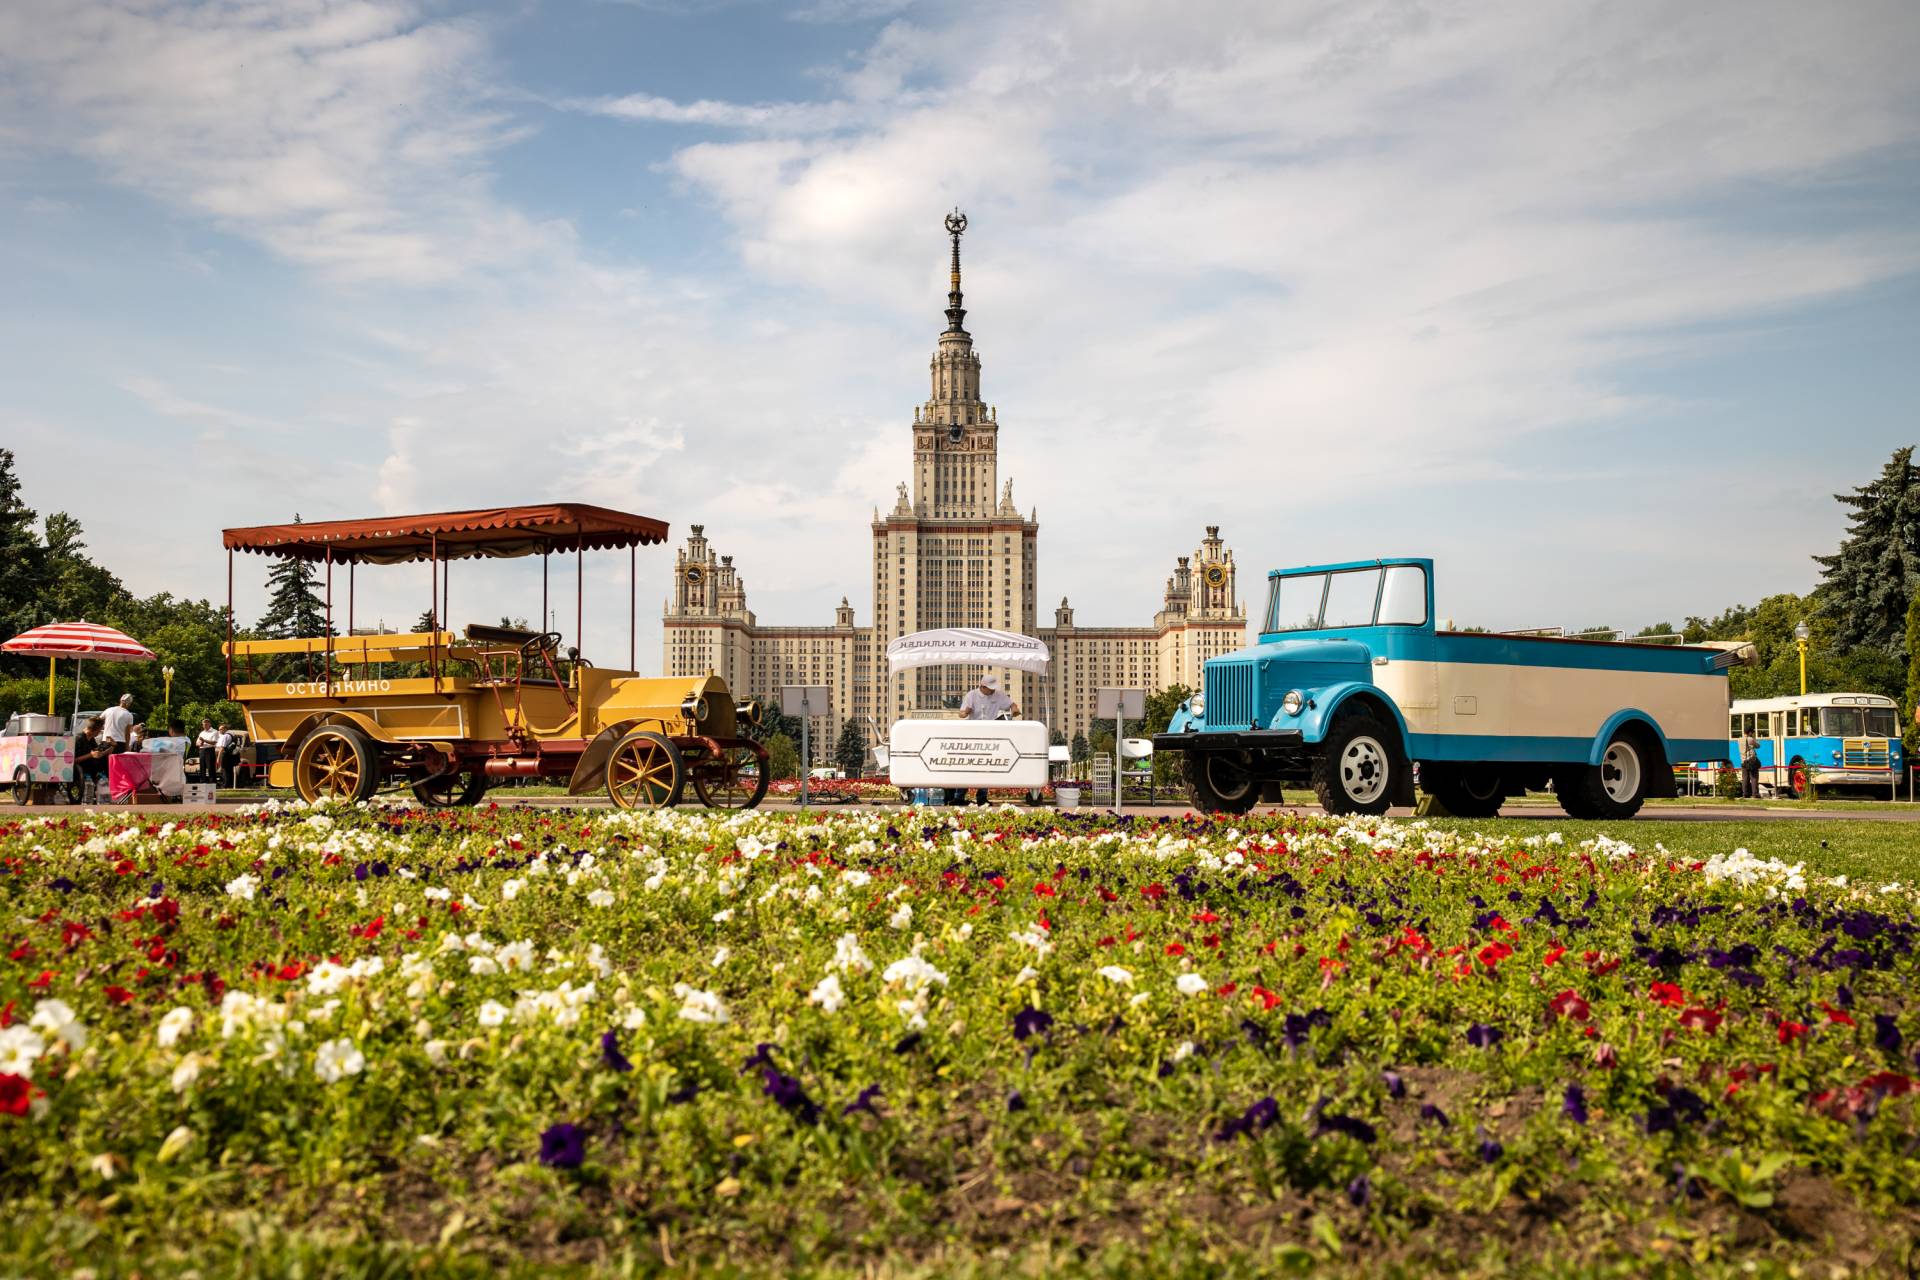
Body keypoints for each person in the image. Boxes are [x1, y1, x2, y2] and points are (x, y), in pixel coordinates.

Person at [954, 674, 1019, 806]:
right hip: (973, 735)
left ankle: (982, 797)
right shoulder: (971, 695)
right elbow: (961, 714)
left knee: (986, 766)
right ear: (982, 686)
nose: (993, 690)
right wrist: (966, 712)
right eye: (990, 688)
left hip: (990, 735)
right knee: (967, 765)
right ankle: (959, 797)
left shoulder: (998, 695)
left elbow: (1011, 704)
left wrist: (1014, 709)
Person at [72, 717, 110, 802]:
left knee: (106, 760)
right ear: (93, 730)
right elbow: (72, 760)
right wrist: (90, 755)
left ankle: (103, 788)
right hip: (80, 770)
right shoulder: (78, 739)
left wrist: (109, 746)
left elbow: (96, 751)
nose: (99, 733)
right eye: (99, 730)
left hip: (91, 768)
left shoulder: (91, 739)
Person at [1740, 725, 1761, 799]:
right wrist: (1754, 739)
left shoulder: (1739, 740)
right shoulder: (1751, 739)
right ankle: (1755, 794)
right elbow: (1758, 746)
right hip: (1751, 761)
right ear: (1749, 732)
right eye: (1752, 732)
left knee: (1745, 778)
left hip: (1743, 761)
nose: (1752, 733)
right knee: (1754, 778)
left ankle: (1745, 793)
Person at [196, 719, 218, 783]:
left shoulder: (214, 731)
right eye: (203, 724)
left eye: (206, 724)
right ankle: (203, 782)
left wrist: (204, 740)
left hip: (210, 750)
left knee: (210, 767)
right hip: (202, 750)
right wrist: (200, 743)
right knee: (202, 767)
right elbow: (197, 743)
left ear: (209, 724)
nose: (204, 725)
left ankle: (212, 782)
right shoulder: (202, 733)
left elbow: (214, 742)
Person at [215, 723, 236, 788]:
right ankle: (230, 784)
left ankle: (225, 785)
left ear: (225, 729)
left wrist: (218, 758)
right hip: (231, 755)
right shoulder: (231, 734)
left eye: (221, 729)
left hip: (226, 754)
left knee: (225, 770)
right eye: (219, 729)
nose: (220, 731)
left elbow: (222, 748)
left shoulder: (225, 736)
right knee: (229, 770)